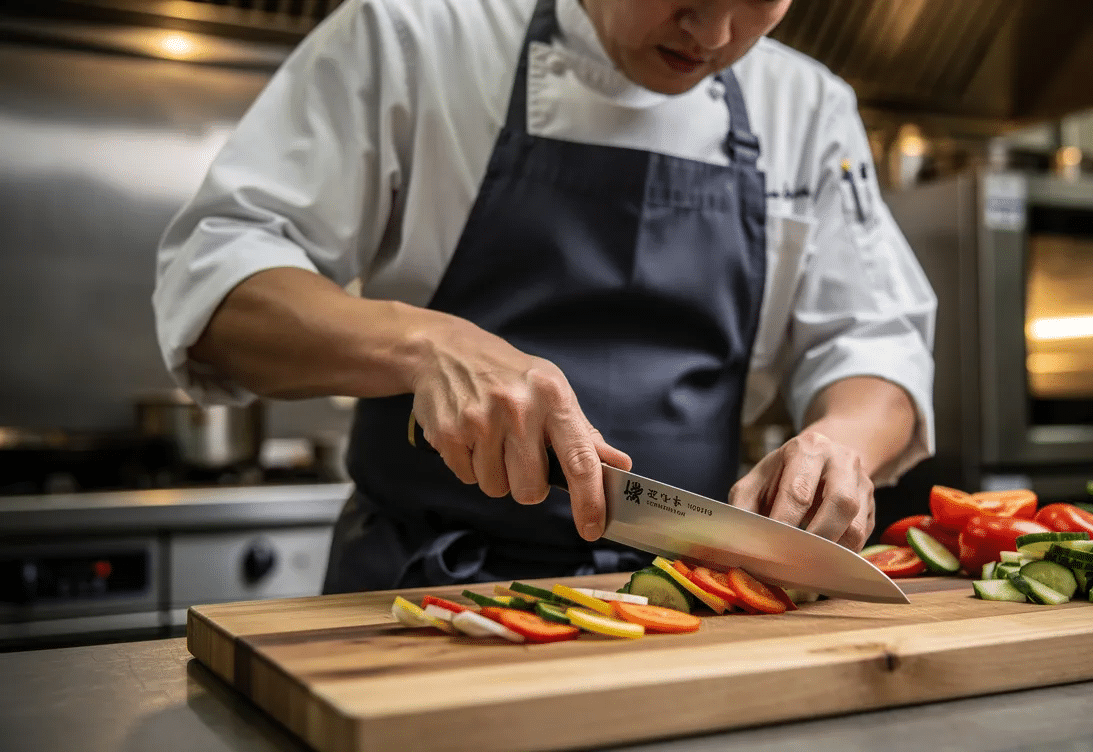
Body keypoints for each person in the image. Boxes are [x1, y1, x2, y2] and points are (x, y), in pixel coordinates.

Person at [153, 0, 937, 593]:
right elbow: (218, 285)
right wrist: (422, 344)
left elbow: (875, 338)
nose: (715, 31)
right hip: (417, 601)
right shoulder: (413, 33)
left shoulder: (808, 106)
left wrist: (842, 443)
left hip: (687, 603)